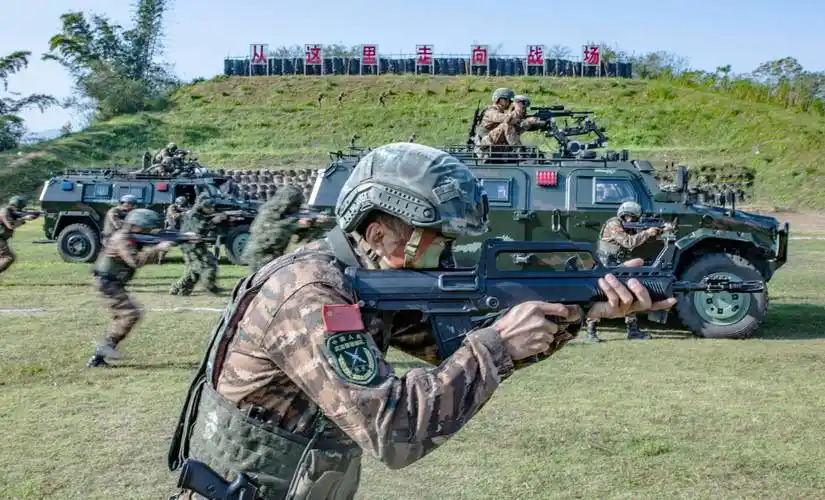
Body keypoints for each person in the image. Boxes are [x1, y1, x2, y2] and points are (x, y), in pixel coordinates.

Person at [166, 143, 676, 500]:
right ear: (378, 232)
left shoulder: (364, 281)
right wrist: (499, 344)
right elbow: (395, 430)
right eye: (438, 236)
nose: (448, 251)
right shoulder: (312, 295)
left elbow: (448, 350)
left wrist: (581, 306)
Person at [86, 209, 174, 368]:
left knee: (127, 316)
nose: (149, 231)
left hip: (112, 282)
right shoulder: (122, 238)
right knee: (129, 315)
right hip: (106, 283)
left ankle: (101, 354)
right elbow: (135, 261)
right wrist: (158, 248)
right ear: (136, 226)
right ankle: (100, 354)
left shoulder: (131, 236)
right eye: (146, 228)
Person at [585, 201, 670, 342]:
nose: (631, 220)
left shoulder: (628, 227)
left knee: (630, 292)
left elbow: (642, 237)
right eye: (629, 217)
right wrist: (647, 232)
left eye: (633, 218)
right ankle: (591, 331)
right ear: (623, 215)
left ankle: (633, 330)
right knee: (601, 296)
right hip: (606, 265)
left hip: (619, 266)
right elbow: (629, 242)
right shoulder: (614, 224)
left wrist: (660, 229)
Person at [241, 185, 330, 273]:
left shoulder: (289, 217)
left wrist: (314, 224)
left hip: (275, 258)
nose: (295, 208)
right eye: (293, 205)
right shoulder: (268, 213)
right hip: (260, 257)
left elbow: (305, 236)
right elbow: (273, 235)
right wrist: (296, 224)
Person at [169, 196, 225, 296]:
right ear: (203, 206)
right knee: (208, 265)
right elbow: (198, 230)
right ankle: (210, 287)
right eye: (210, 207)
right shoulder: (194, 215)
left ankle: (179, 289)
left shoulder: (197, 213)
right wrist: (213, 221)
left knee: (194, 269)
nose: (212, 209)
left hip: (193, 245)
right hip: (191, 246)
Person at [474, 88, 545, 158]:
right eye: (509, 100)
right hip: (485, 145)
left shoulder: (501, 111)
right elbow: (507, 119)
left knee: (513, 125)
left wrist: (532, 122)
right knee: (507, 125)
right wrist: (518, 108)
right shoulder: (491, 111)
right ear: (501, 100)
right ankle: (519, 151)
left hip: (494, 143)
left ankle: (519, 151)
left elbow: (517, 122)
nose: (511, 103)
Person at [0, 196, 39, 277]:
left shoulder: (10, 211)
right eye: (20, 207)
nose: (21, 209)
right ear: (15, 205)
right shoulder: (4, 212)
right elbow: (10, 226)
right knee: (8, 257)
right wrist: (24, 219)